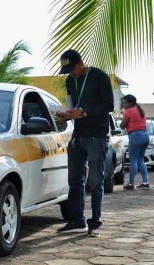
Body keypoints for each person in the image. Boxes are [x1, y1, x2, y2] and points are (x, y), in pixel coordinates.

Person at [56, 49, 114, 237]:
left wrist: (85, 112)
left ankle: (95, 223)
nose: (71, 73)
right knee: (74, 180)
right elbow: (74, 105)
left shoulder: (99, 76)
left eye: (73, 68)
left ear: (81, 62)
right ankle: (77, 221)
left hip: (97, 135)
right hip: (77, 135)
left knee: (96, 181)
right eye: (68, 70)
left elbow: (109, 105)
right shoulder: (69, 80)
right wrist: (67, 115)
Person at [119, 94, 150, 190]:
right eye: (123, 102)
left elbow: (122, 126)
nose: (123, 104)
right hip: (145, 135)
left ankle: (131, 184)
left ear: (131, 103)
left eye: (125, 102)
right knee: (141, 160)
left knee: (133, 161)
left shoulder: (128, 111)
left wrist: (123, 119)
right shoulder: (140, 110)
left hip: (136, 136)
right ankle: (145, 182)